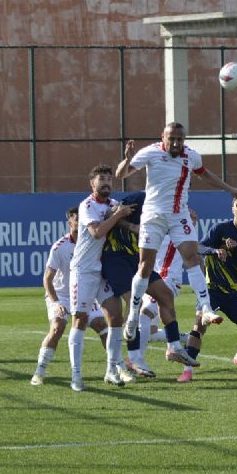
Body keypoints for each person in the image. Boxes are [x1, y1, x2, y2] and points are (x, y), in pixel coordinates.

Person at [117, 123, 237, 342]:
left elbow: (205, 175)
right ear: (162, 137)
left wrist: (230, 189)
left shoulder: (191, 156)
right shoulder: (150, 152)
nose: (175, 143)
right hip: (153, 216)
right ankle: (133, 315)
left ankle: (205, 307)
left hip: (179, 215)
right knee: (145, 266)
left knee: (192, 257)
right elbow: (121, 174)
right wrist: (127, 158)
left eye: (179, 139)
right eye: (171, 139)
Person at [103, 189, 195, 379]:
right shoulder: (140, 198)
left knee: (165, 295)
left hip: (138, 258)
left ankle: (175, 346)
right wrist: (130, 225)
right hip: (117, 257)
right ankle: (135, 357)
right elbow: (111, 214)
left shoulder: (173, 209)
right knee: (133, 302)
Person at [67, 165, 138, 392]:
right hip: (83, 271)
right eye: (101, 179)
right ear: (92, 184)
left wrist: (129, 223)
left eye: (109, 178)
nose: (106, 182)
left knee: (115, 317)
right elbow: (97, 232)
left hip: (102, 271)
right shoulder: (87, 205)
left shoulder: (112, 205)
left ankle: (111, 371)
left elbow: (117, 221)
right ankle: (76, 376)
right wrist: (118, 215)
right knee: (80, 319)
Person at [177, 194, 237, 382]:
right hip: (212, 290)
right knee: (200, 324)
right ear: (233, 209)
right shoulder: (220, 229)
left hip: (235, 291)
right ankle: (187, 370)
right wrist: (215, 251)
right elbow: (199, 247)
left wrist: (233, 250)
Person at [30, 206, 108, 386]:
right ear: (70, 223)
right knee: (58, 327)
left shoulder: (93, 243)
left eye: (82, 218)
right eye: (76, 218)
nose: (79, 221)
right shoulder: (60, 247)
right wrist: (56, 302)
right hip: (62, 295)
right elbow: (47, 279)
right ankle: (39, 371)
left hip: (84, 291)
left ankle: (115, 368)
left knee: (102, 326)